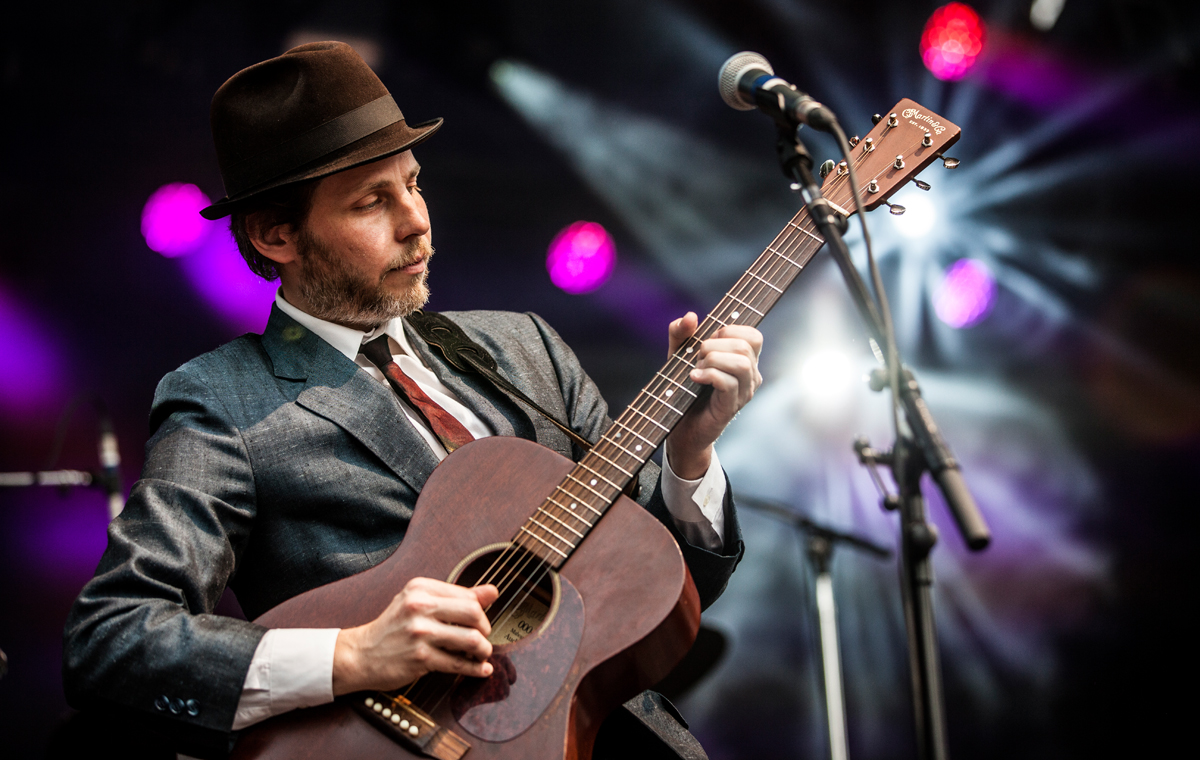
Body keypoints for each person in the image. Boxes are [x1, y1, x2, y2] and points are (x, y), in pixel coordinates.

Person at [62, 42, 763, 759]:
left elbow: (672, 587)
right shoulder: (225, 398)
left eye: (413, 184)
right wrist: (356, 654)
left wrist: (689, 454)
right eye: (372, 200)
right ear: (278, 235)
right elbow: (111, 636)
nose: (416, 220)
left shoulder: (526, 347)